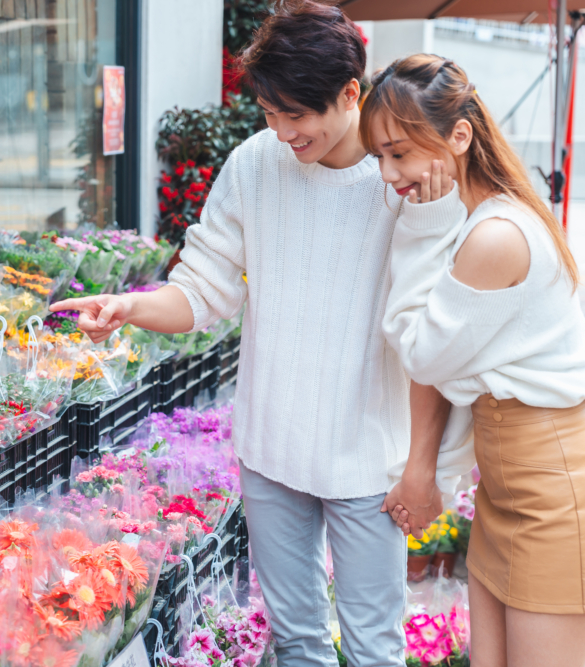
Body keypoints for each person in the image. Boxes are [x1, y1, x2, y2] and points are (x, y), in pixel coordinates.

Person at [51, 3, 471, 665]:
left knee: (374, 649)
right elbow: (202, 287)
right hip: (271, 450)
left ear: (350, 94)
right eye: (269, 113)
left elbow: (437, 341)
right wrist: (130, 307)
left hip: (368, 461)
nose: (281, 132)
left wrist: (423, 465)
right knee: (297, 641)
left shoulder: (405, 179)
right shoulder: (255, 163)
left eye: (296, 115)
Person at [363, 54, 585, 666]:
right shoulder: (486, 219)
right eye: (378, 155)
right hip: (510, 484)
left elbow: (419, 352)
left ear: (459, 135)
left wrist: (420, 224)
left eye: (400, 153)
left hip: (550, 488)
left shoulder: (493, 236)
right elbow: (441, 363)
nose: (388, 173)